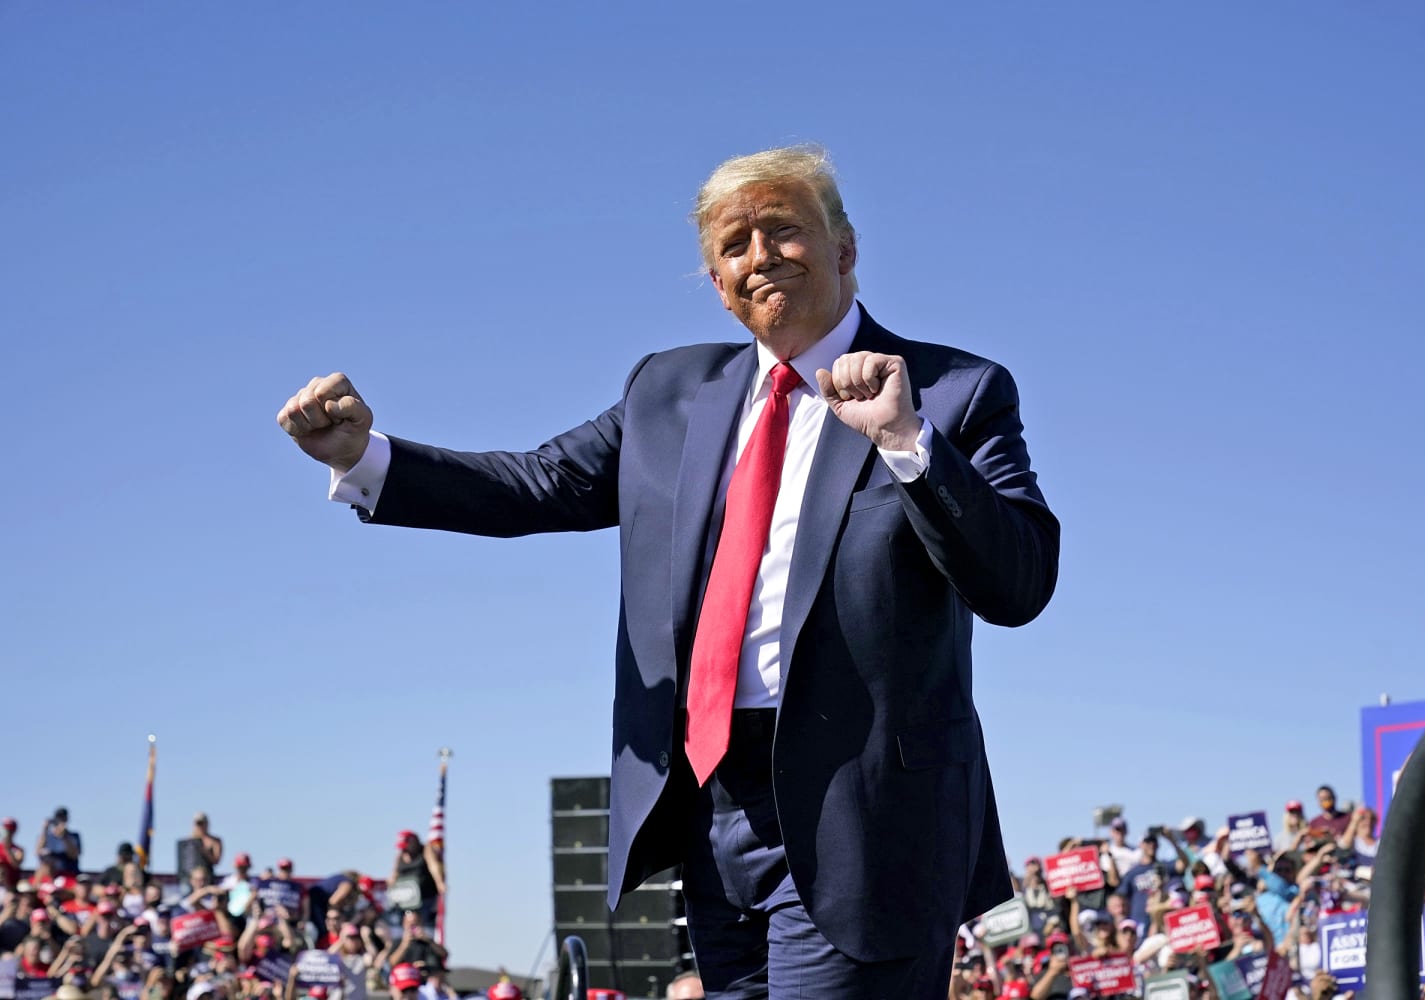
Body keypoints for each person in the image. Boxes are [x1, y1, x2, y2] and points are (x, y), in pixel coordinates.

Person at [277, 144, 1060, 999]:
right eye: (734, 245)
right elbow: (537, 482)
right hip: (709, 810)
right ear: (719, 286)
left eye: (784, 229)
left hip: (867, 818)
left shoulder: (952, 391)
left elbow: (1018, 582)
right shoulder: (667, 392)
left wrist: (909, 444)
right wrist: (365, 457)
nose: (760, 256)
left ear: (845, 247)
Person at [36, 808, 81, 877]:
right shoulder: (47, 837)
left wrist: (64, 836)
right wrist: (44, 830)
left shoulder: (74, 836)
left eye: (63, 819)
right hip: (51, 874)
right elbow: (37, 852)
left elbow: (74, 855)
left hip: (69, 873)